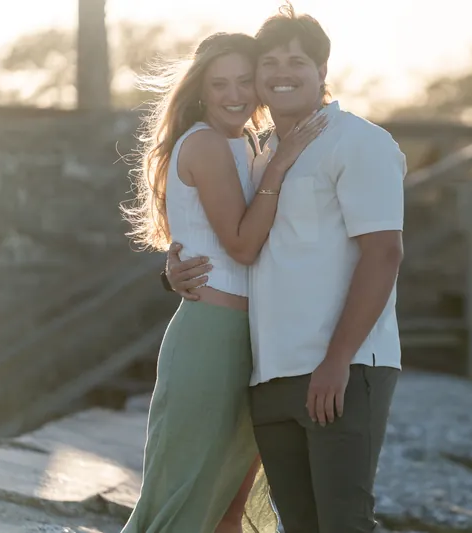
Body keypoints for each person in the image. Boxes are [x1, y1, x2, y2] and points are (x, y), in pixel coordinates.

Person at [164, 5, 407, 533]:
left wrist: (337, 360)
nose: (281, 72)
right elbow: (229, 237)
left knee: (343, 522)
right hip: (267, 371)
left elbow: (384, 253)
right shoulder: (261, 152)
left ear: (323, 71)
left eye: (297, 60)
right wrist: (176, 266)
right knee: (297, 524)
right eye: (269, 61)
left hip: (342, 368)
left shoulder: (360, 141)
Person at [120, 30, 326, 533]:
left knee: (230, 504)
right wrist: (281, 163)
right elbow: (241, 245)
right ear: (199, 90)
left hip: (250, 339)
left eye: (243, 81)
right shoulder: (208, 144)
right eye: (220, 84)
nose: (235, 95)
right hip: (212, 337)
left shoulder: (245, 143)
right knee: (187, 500)